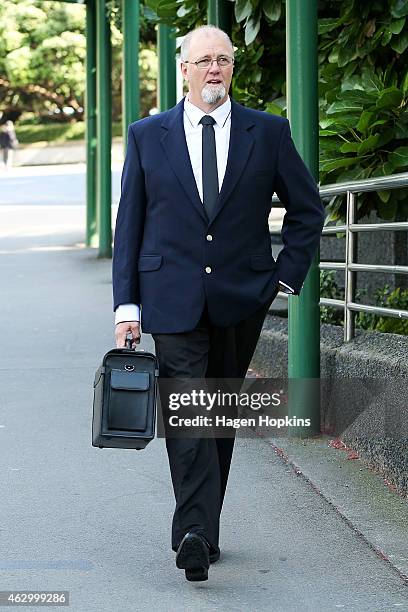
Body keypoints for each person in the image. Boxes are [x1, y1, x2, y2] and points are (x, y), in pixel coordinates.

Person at [112, 25, 325, 582]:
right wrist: (126, 308)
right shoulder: (146, 135)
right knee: (188, 407)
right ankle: (193, 533)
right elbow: (129, 228)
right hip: (169, 296)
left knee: (220, 414)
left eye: (223, 60)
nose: (214, 70)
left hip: (243, 297)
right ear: (182, 68)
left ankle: (205, 526)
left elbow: (308, 211)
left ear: (233, 68)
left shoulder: (268, 132)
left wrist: (285, 279)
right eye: (203, 60)